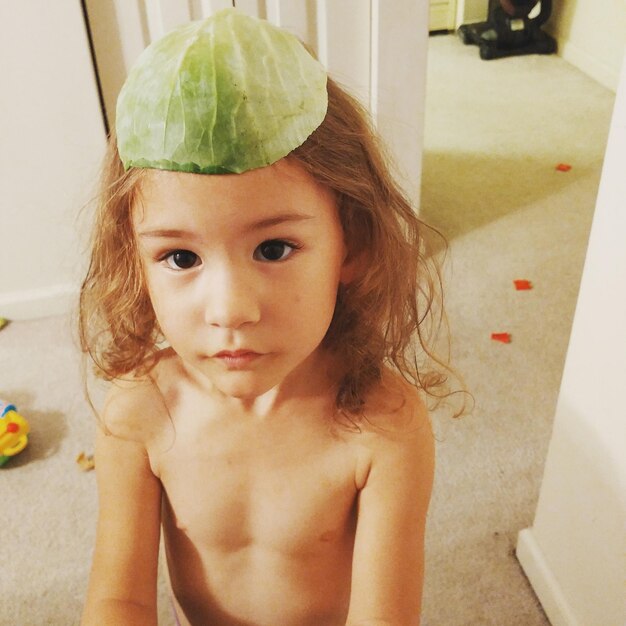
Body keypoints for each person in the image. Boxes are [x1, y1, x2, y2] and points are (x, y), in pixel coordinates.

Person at [80, 9, 453, 626]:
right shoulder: (138, 413)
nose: (230, 310)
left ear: (351, 243)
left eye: (274, 249)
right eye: (180, 256)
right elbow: (119, 600)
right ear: (134, 262)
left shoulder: (385, 426)